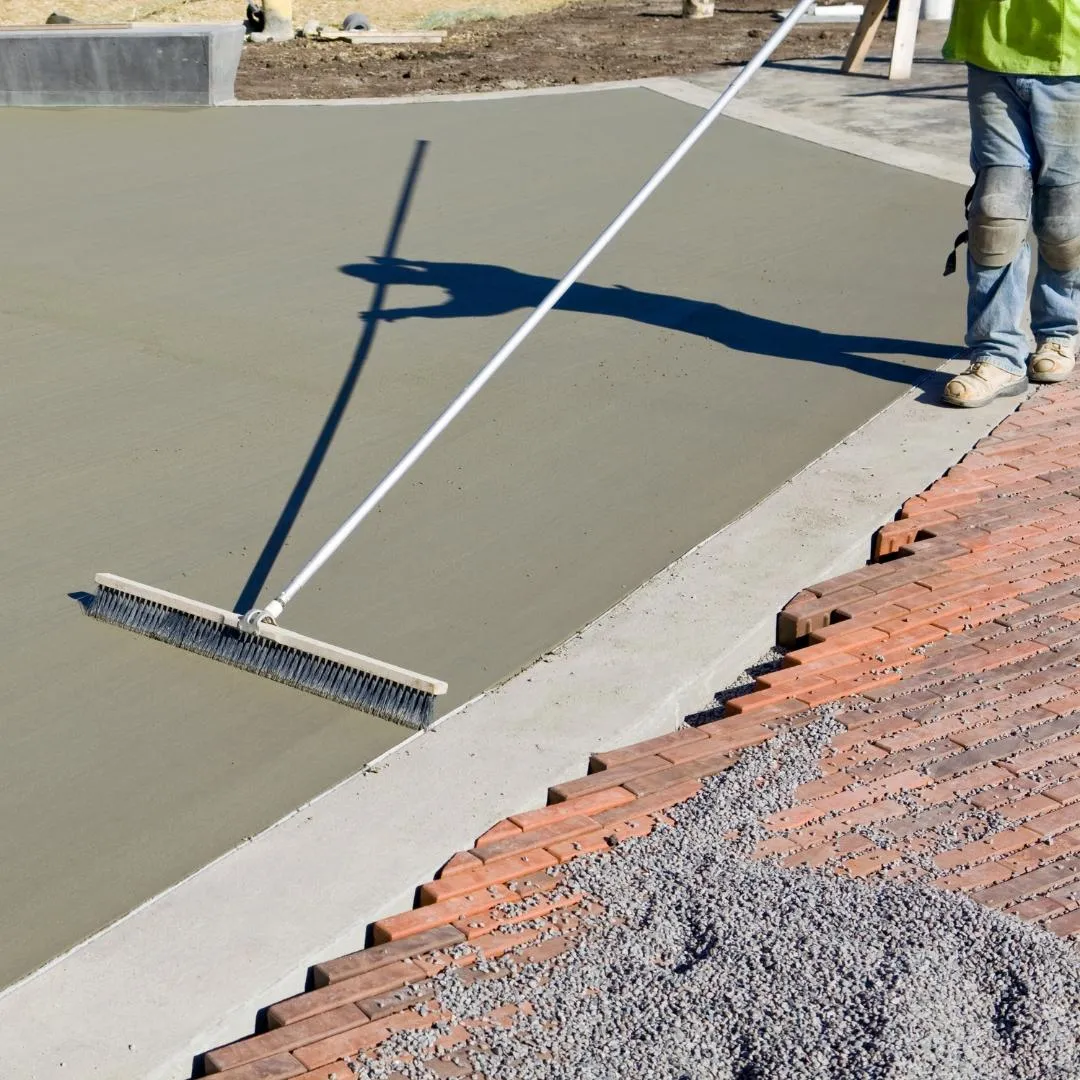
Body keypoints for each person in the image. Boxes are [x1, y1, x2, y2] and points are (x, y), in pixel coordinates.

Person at [940, 2, 1080, 407]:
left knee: (1064, 215)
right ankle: (996, 354)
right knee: (995, 210)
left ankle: (1058, 331)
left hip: (1070, 52)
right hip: (991, 47)